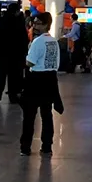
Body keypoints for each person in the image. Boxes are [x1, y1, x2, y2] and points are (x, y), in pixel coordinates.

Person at [19, 12, 63, 156]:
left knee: (29, 116)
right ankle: (47, 146)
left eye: (38, 23)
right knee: (47, 115)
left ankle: (25, 147)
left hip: (36, 80)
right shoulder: (54, 41)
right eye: (34, 23)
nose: (34, 26)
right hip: (50, 80)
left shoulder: (38, 41)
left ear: (45, 24)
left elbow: (29, 62)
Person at [0, 3, 29, 105]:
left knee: (0, 77)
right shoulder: (18, 23)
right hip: (15, 56)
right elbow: (23, 40)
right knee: (13, 78)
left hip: (0, 55)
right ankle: (13, 97)